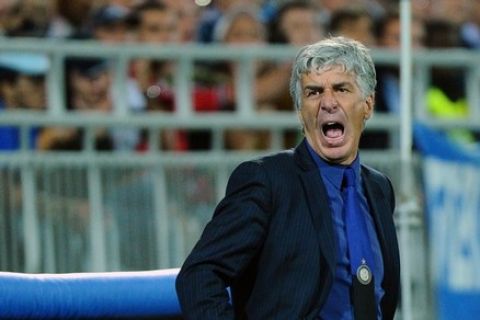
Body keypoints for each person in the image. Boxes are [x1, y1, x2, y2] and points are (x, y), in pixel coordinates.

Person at [176, 36, 400, 319]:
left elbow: (383, 295)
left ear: (368, 104)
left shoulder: (379, 188)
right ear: (299, 111)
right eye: (313, 92)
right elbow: (199, 275)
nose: (328, 102)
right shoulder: (267, 181)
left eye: (341, 89)